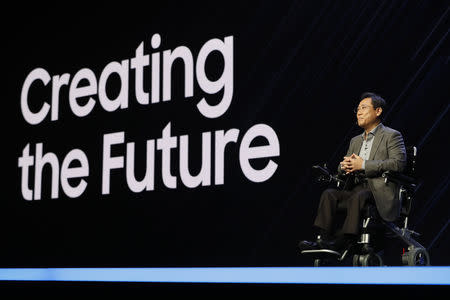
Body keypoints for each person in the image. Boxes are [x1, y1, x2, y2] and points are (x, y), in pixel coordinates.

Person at [299, 92, 407, 251]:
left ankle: (345, 240)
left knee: (359, 196)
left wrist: (363, 165)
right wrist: (344, 167)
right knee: (329, 194)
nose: (359, 112)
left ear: (378, 111)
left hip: (378, 191)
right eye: (357, 109)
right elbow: (343, 167)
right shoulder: (355, 141)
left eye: (364, 108)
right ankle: (323, 239)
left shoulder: (392, 135)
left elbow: (398, 163)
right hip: (356, 188)